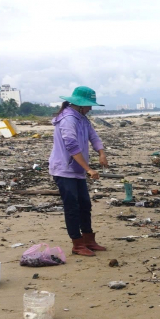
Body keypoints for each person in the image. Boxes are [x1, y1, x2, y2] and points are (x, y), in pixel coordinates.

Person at [48, 86, 109, 257]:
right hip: (64, 169)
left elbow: (93, 137)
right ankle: (77, 243)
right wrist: (89, 169)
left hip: (77, 170)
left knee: (85, 204)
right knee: (72, 206)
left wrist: (101, 153)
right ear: (80, 105)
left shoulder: (82, 118)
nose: (90, 109)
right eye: (89, 105)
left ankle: (89, 239)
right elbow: (72, 146)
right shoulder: (68, 119)